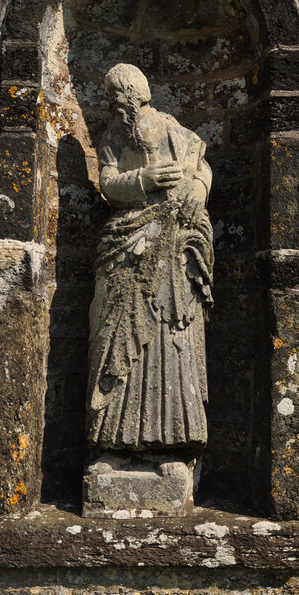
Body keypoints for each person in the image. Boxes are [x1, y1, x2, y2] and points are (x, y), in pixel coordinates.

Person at [86, 63, 214, 453]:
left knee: (171, 335)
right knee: (110, 331)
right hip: (126, 243)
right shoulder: (113, 136)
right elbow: (108, 181)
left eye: (117, 94)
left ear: (135, 92)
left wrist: (197, 187)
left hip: (172, 245)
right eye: (110, 97)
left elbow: (201, 169)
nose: (114, 103)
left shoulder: (178, 132)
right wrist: (142, 180)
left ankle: (173, 445)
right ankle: (111, 442)